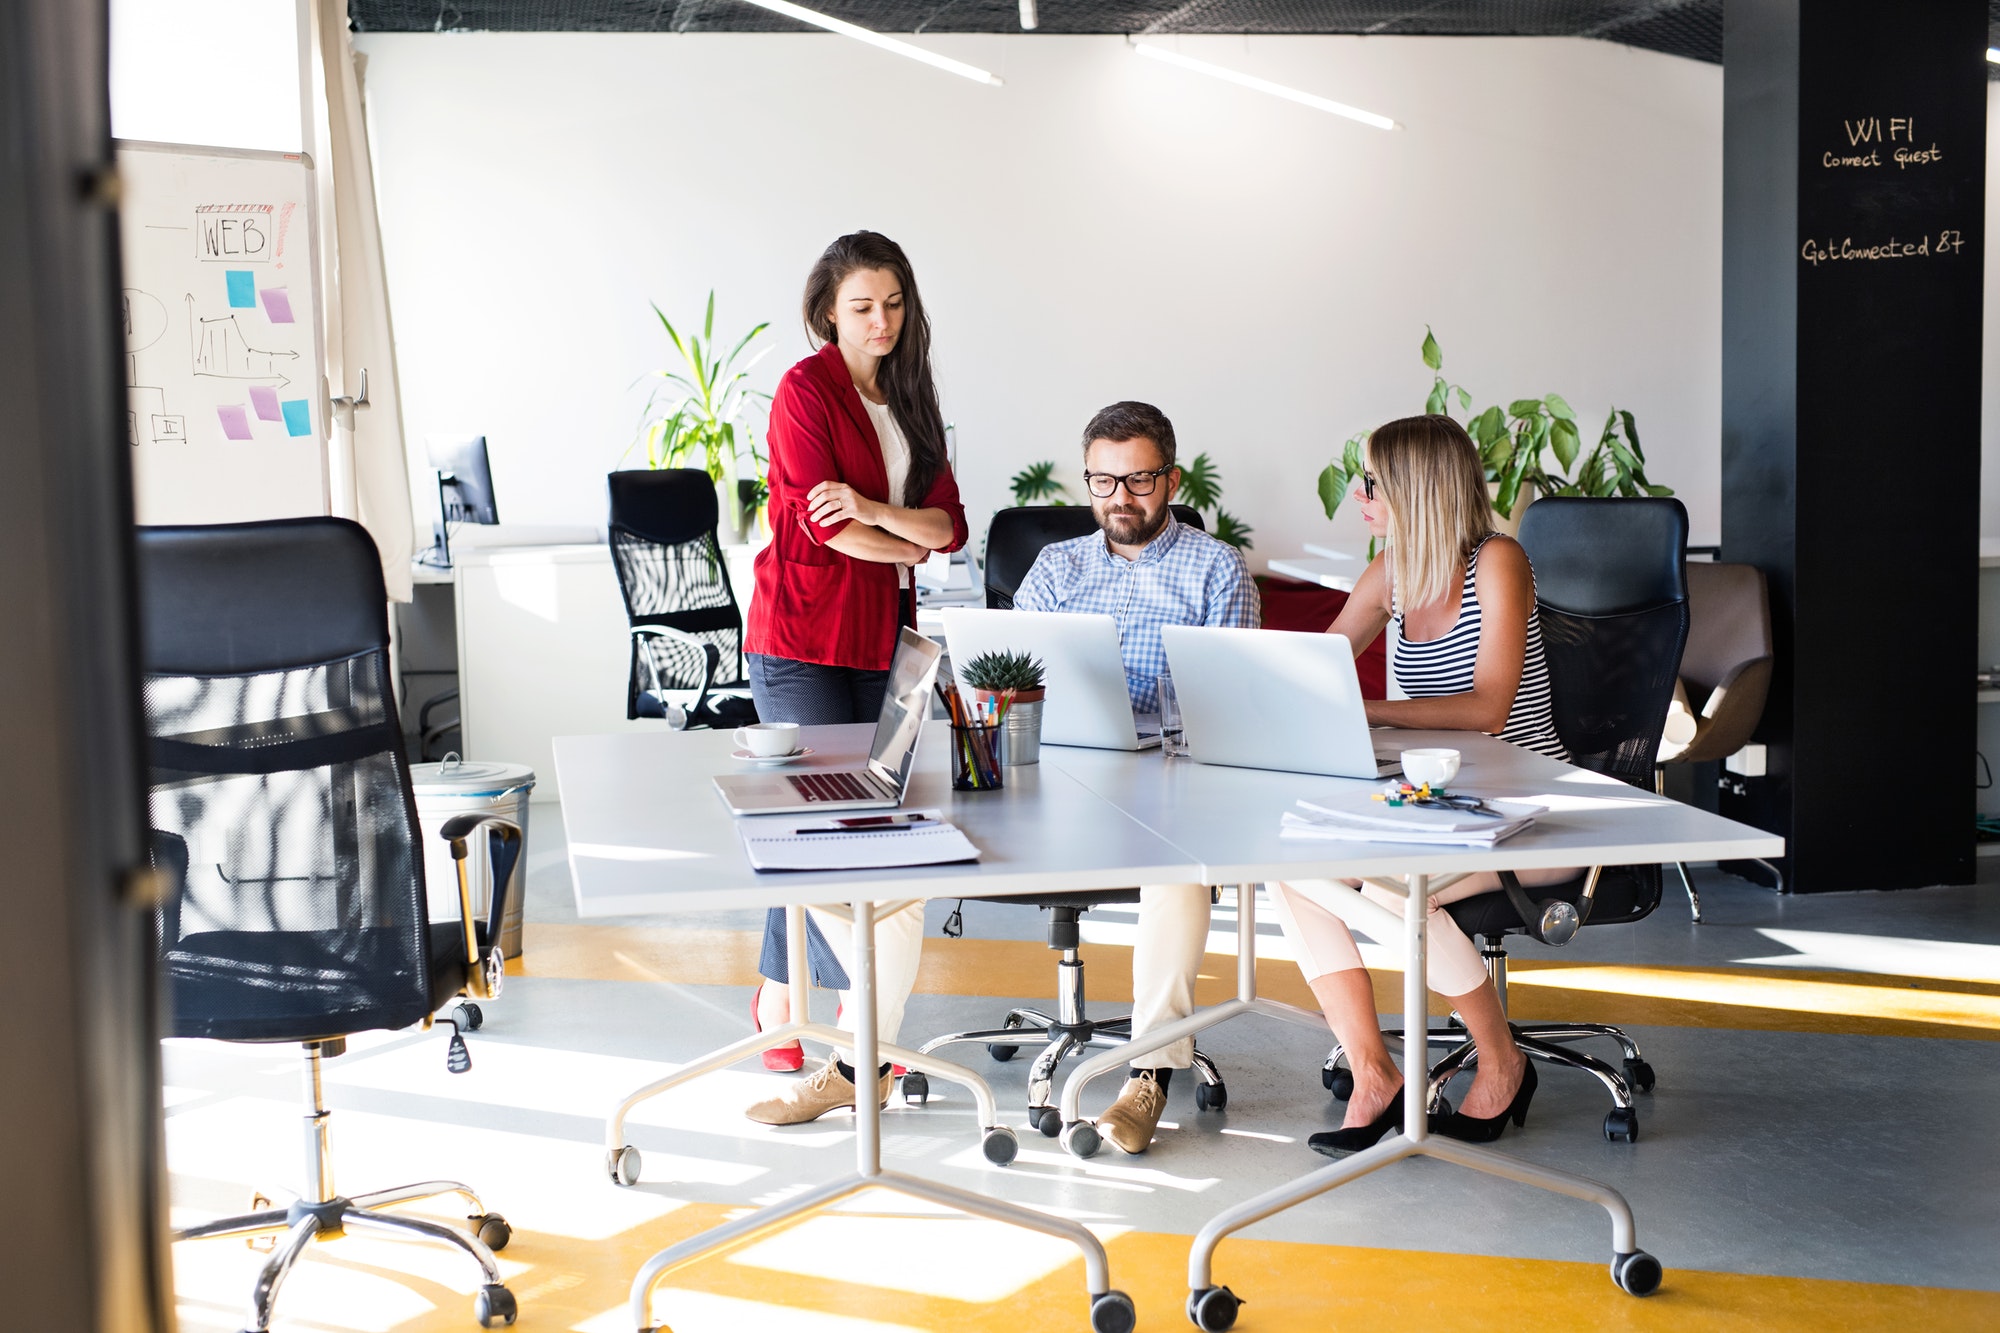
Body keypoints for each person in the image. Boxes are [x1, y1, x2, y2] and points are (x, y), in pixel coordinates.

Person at [1264, 413, 1574, 1159]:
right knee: (1286, 869)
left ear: (1415, 488)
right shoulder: (1391, 571)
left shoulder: (1498, 562)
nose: (1361, 495)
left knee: (1396, 892)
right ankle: (1374, 1071)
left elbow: (1486, 709)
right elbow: (1321, 671)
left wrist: (1362, 707)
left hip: (1533, 816)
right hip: (1433, 810)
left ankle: (1501, 1059)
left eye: (1371, 481)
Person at [741, 231, 967, 1119]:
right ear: (828, 310)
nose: (882, 321)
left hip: (883, 638)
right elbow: (818, 529)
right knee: (805, 823)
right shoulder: (806, 391)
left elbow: (947, 527)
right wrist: (900, 534)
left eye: (895, 304)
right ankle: (817, 1001)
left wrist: (881, 510)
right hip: (799, 633)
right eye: (863, 305)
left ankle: (795, 993)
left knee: (869, 817)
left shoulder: (913, 394)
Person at [1010, 400, 1260, 1154]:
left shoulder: (1217, 569)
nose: (1121, 496)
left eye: (1140, 479)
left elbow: (1229, 710)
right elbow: (1005, 675)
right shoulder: (1057, 567)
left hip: (1166, 786)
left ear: (1171, 479)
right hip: (1056, 783)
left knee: (1179, 867)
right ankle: (865, 1063)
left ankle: (1149, 1072)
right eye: (1103, 480)